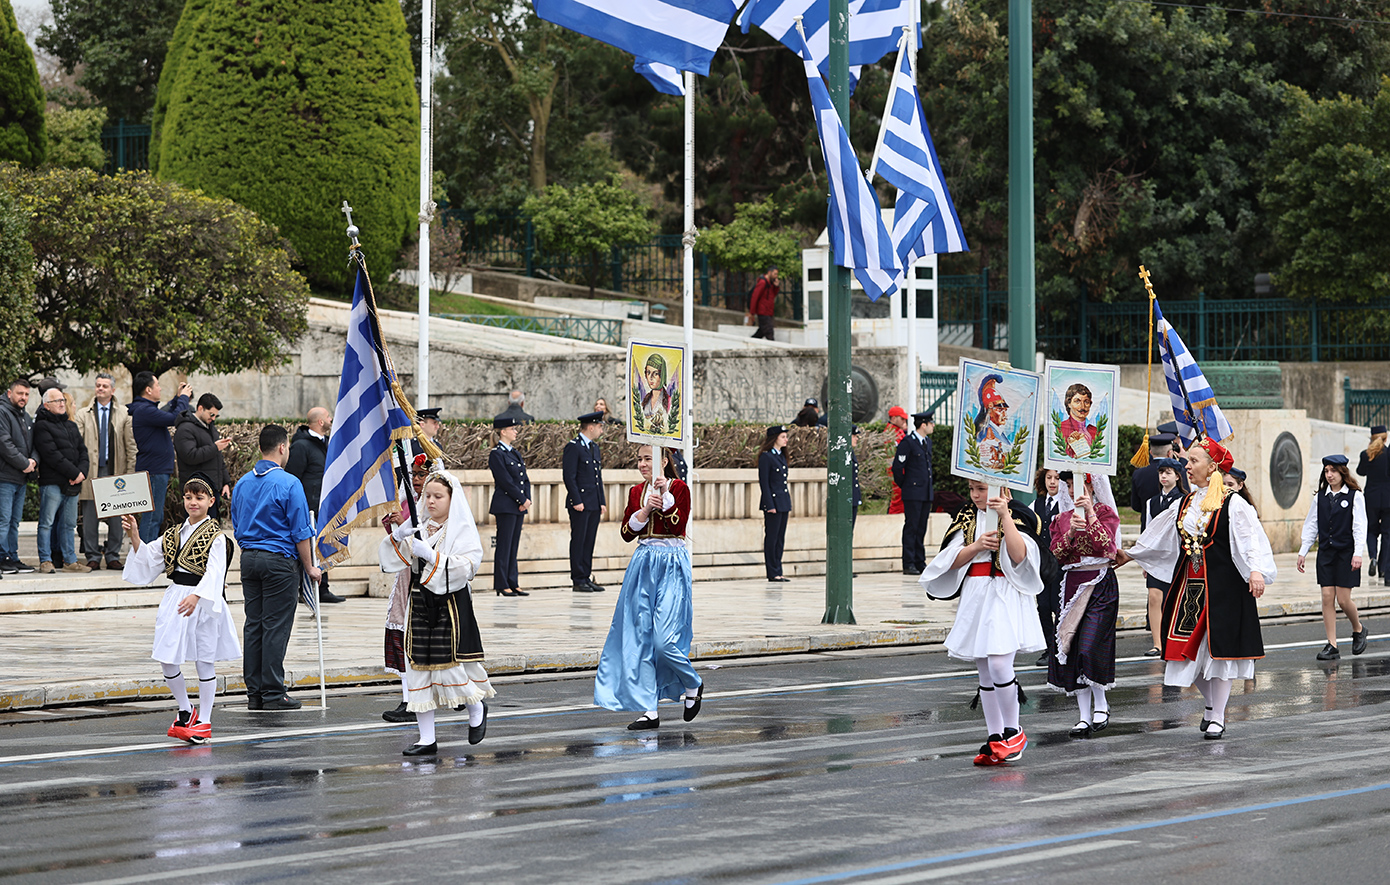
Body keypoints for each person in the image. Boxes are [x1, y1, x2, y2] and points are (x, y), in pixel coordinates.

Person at [1115, 437, 1276, 741]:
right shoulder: (1186, 502)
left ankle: (1217, 716)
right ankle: (1212, 704)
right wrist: (1131, 554)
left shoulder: (1233, 502)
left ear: (1213, 467)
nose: (1186, 466)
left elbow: (1251, 538)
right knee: (1183, 653)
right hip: (1190, 588)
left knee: (1219, 655)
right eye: (1187, 461)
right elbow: (1159, 535)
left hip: (1224, 588)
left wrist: (1256, 570)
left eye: (1194, 461)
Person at [920, 480, 1046, 765]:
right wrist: (976, 546)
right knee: (985, 671)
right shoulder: (965, 517)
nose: (977, 495)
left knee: (1000, 664)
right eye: (972, 489)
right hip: (976, 593)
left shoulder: (1019, 513)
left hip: (1006, 593)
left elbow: (1021, 556)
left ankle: (1013, 731)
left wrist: (1004, 516)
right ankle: (994, 737)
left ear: (1002, 488)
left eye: (982, 489)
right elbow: (948, 561)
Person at [379, 468, 494, 755]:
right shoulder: (419, 526)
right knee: (417, 667)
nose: (431, 501)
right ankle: (426, 739)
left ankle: (476, 707)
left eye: (438, 496)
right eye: (427, 495)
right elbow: (393, 561)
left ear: (451, 499)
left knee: (451, 666)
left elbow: (468, 566)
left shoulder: (461, 528)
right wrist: (400, 536)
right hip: (419, 604)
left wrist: (431, 555)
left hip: (450, 606)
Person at [120, 476, 239, 744]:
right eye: (188, 497)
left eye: (199, 497)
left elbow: (215, 571)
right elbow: (150, 557)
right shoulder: (174, 533)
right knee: (167, 655)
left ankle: (205, 721)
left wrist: (198, 596)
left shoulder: (217, 537)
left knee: (204, 659)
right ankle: (186, 709)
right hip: (176, 596)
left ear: (211, 501)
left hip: (204, 600)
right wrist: (134, 535)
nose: (193, 502)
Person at [594, 444, 704, 730]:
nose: (642, 464)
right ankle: (648, 709)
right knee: (638, 637)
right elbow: (627, 533)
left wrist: (665, 497)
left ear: (663, 461)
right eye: (640, 459)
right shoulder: (635, 492)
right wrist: (644, 510)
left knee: (663, 640)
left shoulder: (679, 488)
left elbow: (677, 524)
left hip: (671, 564)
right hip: (643, 563)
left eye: (648, 459)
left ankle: (693, 682)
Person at [230, 424, 322, 711]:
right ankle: (272, 692)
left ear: (260, 447)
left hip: (249, 558)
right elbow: (301, 531)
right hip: (279, 560)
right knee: (275, 626)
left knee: (253, 625)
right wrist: (309, 567)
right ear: (283, 448)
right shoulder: (289, 483)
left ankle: (254, 692)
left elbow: (236, 521)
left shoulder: (243, 482)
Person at [1046, 473, 1121, 738]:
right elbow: (1056, 554)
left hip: (1100, 583)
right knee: (1071, 647)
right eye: (1068, 486)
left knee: (1091, 645)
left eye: (1078, 485)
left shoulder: (1106, 513)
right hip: (1071, 584)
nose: (1071, 490)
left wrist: (1089, 514)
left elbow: (1107, 548)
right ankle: (1083, 715)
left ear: (1092, 486)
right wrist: (1071, 533)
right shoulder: (1062, 519)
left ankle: (1101, 703)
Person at [1298, 454, 1370, 662]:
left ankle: (1358, 628)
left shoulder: (1355, 496)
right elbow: (1311, 525)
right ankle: (1332, 644)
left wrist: (1358, 554)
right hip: (1326, 553)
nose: (1329, 475)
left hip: (1346, 553)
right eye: (1326, 471)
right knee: (1327, 597)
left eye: (1333, 471)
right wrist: (1303, 551)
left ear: (1342, 472)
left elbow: (1359, 526)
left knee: (1343, 599)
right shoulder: (1319, 497)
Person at [380, 454, 430, 724]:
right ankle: (409, 698)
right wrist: (397, 525)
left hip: (432, 580)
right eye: (414, 475)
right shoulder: (411, 499)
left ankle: (465, 696)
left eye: (422, 474)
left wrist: (404, 528)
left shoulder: (439, 504)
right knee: (402, 634)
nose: (417, 480)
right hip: (408, 576)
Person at [77, 373, 136, 570]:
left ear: (113, 390)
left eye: (104, 386)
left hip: (115, 472)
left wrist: (129, 474)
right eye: (98, 385)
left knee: (117, 519)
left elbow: (131, 447)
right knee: (90, 517)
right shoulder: (83, 413)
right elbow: (77, 445)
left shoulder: (124, 414)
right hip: (91, 472)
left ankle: (112, 556)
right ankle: (93, 556)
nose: (100, 388)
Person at [286, 406, 342, 604]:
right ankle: (310, 589)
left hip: (325, 506)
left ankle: (323, 587)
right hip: (309, 508)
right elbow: (293, 478)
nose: (330, 419)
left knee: (322, 548)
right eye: (328, 416)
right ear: (320, 422)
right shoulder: (301, 446)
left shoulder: (327, 443)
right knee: (311, 548)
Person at [129, 372, 192, 543]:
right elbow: (174, 418)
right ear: (148, 390)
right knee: (152, 517)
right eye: (157, 385)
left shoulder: (146, 410)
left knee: (154, 515)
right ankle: (144, 559)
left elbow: (167, 414)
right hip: (154, 470)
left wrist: (177, 398)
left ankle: (143, 557)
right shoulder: (144, 410)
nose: (160, 388)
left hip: (156, 468)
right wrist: (184, 399)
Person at [33, 387, 89, 574]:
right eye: (57, 401)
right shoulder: (41, 426)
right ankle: (46, 560)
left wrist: (81, 473)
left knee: (68, 524)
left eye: (62, 400)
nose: (61, 403)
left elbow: (83, 452)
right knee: (47, 522)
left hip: (72, 483)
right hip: (52, 482)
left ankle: (70, 560)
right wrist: (74, 473)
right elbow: (51, 455)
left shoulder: (71, 425)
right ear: (46, 405)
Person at [1141, 457, 1185, 656]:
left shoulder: (1185, 499)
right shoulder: (1151, 502)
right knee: (1154, 597)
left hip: (1177, 556)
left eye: (1168, 472)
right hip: (1157, 557)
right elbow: (1147, 531)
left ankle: (1177, 640)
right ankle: (1157, 644)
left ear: (1177, 476)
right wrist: (1144, 559)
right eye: (1161, 472)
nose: (1164, 476)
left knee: (1175, 599)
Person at [563, 411, 607, 593]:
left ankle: (586, 576)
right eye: (599, 426)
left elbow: (598, 477)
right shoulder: (574, 447)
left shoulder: (593, 447)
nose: (601, 430)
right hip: (580, 503)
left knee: (589, 541)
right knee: (579, 541)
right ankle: (578, 578)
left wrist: (601, 501)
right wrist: (576, 500)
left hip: (593, 502)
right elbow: (569, 476)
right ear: (591, 427)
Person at [489, 416, 531, 597]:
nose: (515, 432)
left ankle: (513, 581)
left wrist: (526, 499)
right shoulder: (496, 454)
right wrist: (521, 499)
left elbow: (524, 479)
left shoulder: (514, 453)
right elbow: (505, 481)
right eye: (512, 429)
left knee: (513, 545)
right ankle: (501, 583)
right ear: (502, 431)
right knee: (504, 545)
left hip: (517, 505)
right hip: (505, 505)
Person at [0, 379, 37, 574]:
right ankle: (2, 558)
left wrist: (34, 462)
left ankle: (12, 557)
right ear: (9, 393)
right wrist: (25, 464)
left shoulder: (25, 416)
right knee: (3, 520)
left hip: (20, 478)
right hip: (5, 477)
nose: (23, 397)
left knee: (14, 521)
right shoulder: (2, 412)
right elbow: (4, 444)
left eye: (26, 394)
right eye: (20, 393)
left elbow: (34, 445)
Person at [174, 394, 232, 517]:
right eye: (211, 414)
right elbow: (189, 455)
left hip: (212, 489)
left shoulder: (210, 428)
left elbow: (218, 458)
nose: (214, 418)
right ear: (201, 408)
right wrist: (214, 447)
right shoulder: (185, 428)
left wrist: (225, 482)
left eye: (216, 415)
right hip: (196, 492)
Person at [892, 411, 935, 575]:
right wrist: (907, 486)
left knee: (921, 527)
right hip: (913, 492)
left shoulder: (927, 442)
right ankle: (908, 562)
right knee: (912, 527)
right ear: (923, 425)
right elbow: (897, 468)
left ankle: (919, 561)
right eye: (931, 423)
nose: (933, 426)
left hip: (925, 492)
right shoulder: (908, 442)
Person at [1031, 468, 1064, 666]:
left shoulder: (1067, 503)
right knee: (1042, 606)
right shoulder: (1036, 504)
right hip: (1042, 564)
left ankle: (1061, 647)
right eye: (1049, 478)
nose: (1053, 482)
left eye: (1057, 478)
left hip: (1061, 564)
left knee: (1058, 606)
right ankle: (1048, 648)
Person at [1356, 425, 1389, 584]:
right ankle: (1383, 567)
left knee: (1371, 530)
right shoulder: (1388, 454)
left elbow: (1360, 472)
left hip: (1371, 498)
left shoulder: (1366, 454)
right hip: (1388, 498)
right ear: (1386, 437)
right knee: (1387, 534)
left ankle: (1373, 558)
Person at [758, 425, 791, 582]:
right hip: (773, 503)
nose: (786, 439)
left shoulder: (781, 456)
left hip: (783, 502)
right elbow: (764, 483)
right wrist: (769, 505)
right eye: (783, 436)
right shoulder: (766, 457)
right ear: (774, 438)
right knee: (771, 538)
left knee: (780, 538)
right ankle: (772, 572)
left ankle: (779, 569)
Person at [1129, 433, 1186, 514]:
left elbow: (1136, 506)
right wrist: (1183, 460)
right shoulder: (1178, 471)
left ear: (1151, 453)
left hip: (1148, 524)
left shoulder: (1138, 473)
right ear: (1170, 453)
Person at [974, 375, 1012, 469]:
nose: (1004, 414)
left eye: (1005, 410)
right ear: (990, 411)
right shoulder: (985, 433)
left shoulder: (999, 433)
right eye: (1000, 410)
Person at [1058, 383, 1098, 459]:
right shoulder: (1060, 428)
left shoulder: (1096, 431)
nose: (1082, 406)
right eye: (1077, 401)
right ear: (1069, 403)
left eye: (1086, 402)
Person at [886, 406, 908, 517]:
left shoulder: (896, 431)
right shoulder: (891, 433)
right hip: (895, 473)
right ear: (894, 418)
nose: (904, 421)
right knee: (897, 502)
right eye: (902, 419)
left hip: (899, 472)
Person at [747, 266, 780, 340]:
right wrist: (752, 312)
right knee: (769, 331)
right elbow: (755, 297)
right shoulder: (762, 283)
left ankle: (750, 341)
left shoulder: (770, 284)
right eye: (775, 274)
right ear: (769, 272)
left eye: (777, 274)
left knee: (761, 332)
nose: (776, 276)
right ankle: (773, 349)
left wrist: (776, 287)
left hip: (768, 311)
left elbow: (772, 295)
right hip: (763, 312)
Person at [851, 425, 862, 530]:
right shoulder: (844, 453)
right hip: (848, 497)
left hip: (853, 496)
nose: (856, 439)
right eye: (854, 436)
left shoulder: (850, 452)